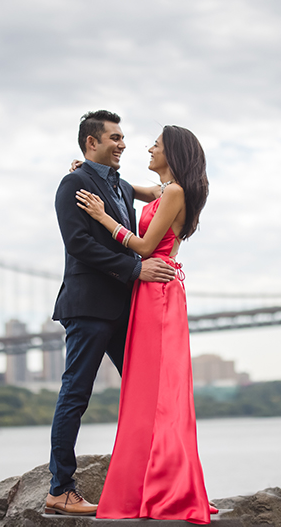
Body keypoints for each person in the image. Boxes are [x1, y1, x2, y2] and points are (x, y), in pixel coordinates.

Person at [75, 125, 213, 524]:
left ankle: (160, 488)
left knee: (156, 393)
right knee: (149, 391)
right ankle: (150, 484)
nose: (148, 148)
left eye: (156, 144)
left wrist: (102, 217)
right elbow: (127, 188)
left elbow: (143, 247)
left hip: (157, 291)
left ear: (172, 153)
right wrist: (88, 170)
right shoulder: (166, 190)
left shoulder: (173, 193)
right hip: (152, 291)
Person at [46, 110, 177, 516]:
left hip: (123, 308)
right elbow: (79, 244)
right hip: (88, 307)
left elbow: (169, 191)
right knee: (76, 394)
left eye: (123, 138)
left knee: (149, 392)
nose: (123, 144)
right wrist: (136, 269)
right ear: (92, 143)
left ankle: (163, 485)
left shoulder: (118, 185)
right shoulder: (74, 183)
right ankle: (60, 489)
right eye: (115, 138)